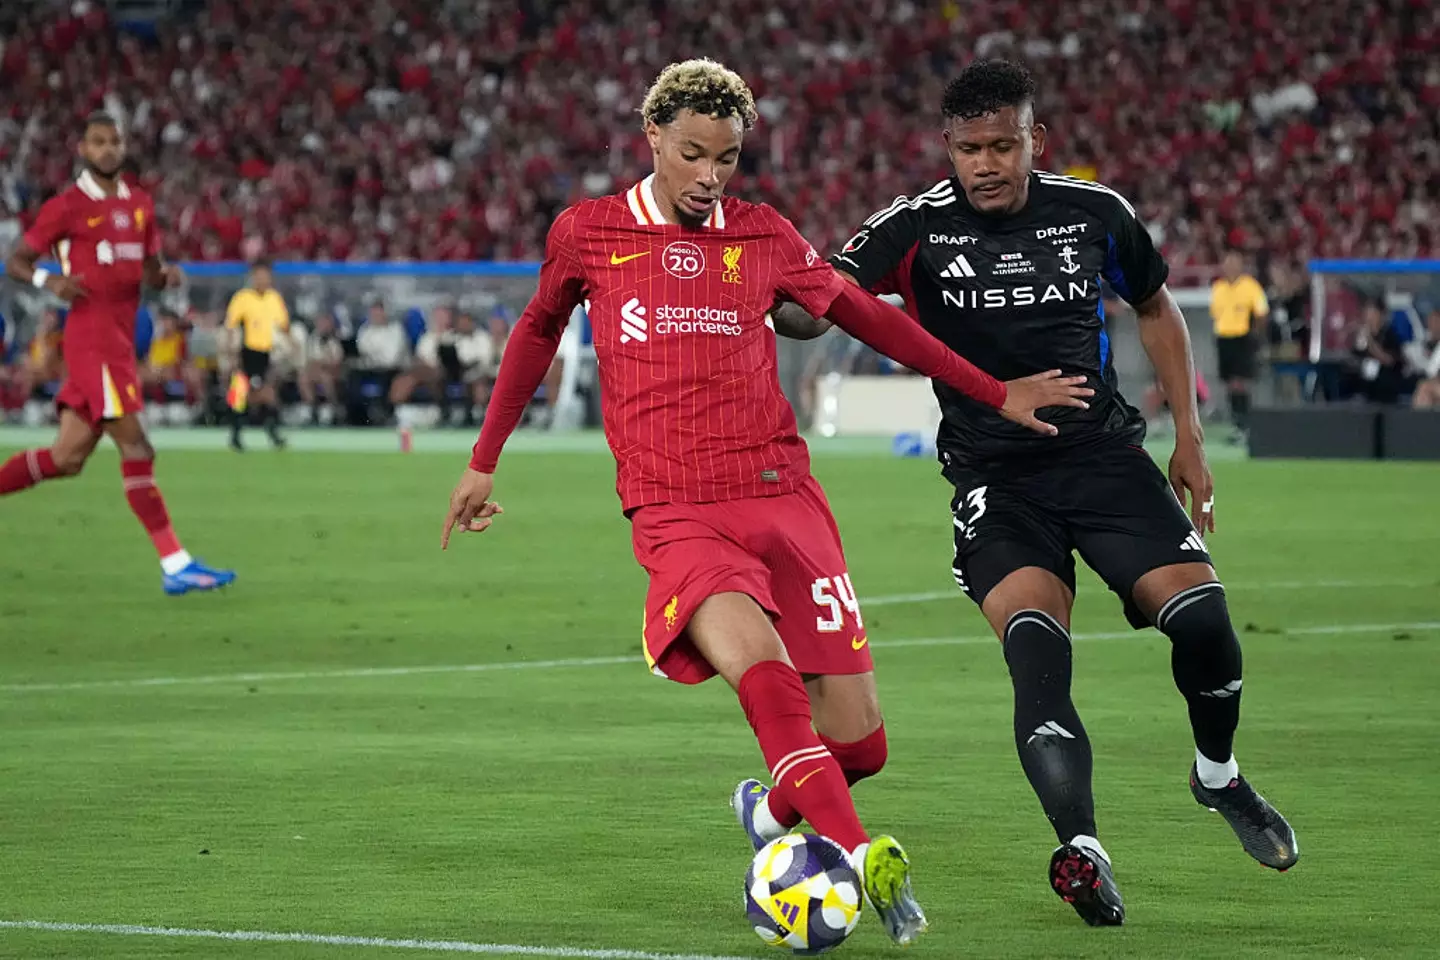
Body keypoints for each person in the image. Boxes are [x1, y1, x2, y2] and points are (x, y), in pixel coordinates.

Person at [440, 59, 1089, 947]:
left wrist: (992, 390)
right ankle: (860, 856)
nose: (711, 177)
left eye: (730, 159)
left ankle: (773, 808)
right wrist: (484, 460)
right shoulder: (590, 233)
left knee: (860, 746)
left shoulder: (764, 236)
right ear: (654, 141)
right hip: (675, 508)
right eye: (695, 155)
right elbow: (536, 331)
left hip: (783, 496)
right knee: (768, 680)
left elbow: (868, 313)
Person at [771, 60, 1297, 926]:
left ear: (1034, 141)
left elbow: (1157, 309)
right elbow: (816, 306)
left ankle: (1218, 777)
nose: (985, 163)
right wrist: (781, 290)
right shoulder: (912, 229)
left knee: (1202, 619)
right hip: (995, 480)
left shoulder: (1096, 214)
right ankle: (1081, 849)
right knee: (1035, 649)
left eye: (1001, 145)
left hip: (1103, 460)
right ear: (947, 147)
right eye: (969, 147)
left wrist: (1189, 440)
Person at [0, 112, 234, 595]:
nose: (107, 149)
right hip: (93, 344)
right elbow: (17, 262)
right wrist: (52, 281)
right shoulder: (66, 206)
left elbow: (149, 271)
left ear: (124, 147)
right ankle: (176, 564)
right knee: (138, 448)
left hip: (121, 343)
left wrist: (163, 277)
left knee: (66, 458)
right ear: (83, 149)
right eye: (98, 142)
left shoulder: (142, 206)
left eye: (114, 141)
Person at [225, 258, 292, 450]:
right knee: (239, 393)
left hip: (265, 353)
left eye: (266, 276)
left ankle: (272, 433)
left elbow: (284, 325)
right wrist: (231, 352)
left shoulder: (274, 298)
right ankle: (236, 434)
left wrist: (290, 345)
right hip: (246, 352)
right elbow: (231, 326)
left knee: (268, 394)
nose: (263, 279)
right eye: (259, 275)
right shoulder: (242, 298)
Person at [1210, 250, 1269, 439]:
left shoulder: (1250, 286)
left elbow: (1261, 312)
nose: (1230, 267)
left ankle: (1245, 424)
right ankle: (1237, 424)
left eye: (1234, 263)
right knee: (1229, 383)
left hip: (1242, 338)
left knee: (1240, 382)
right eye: (1227, 263)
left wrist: (1255, 337)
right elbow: (1216, 314)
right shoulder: (1218, 287)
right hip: (1223, 338)